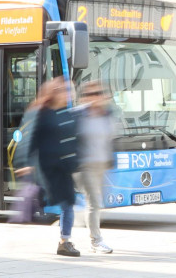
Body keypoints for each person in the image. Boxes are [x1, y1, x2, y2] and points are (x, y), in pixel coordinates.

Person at [22, 77, 80, 257]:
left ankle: (65, 241)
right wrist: (26, 164)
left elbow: (73, 140)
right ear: (55, 94)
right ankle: (64, 241)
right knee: (65, 203)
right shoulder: (43, 114)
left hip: (63, 167)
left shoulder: (67, 113)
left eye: (69, 90)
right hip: (49, 168)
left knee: (68, 203)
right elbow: (31, 140)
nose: (68, 94)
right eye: (64, 91)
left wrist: (76, 160)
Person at [74, 81, 117, 254]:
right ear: (84, 97)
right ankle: (96, 241)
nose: (95, 97)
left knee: (98, 202)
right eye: (91, 94)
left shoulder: (107, 114)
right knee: (94, 202)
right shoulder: (78, 115)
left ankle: (80, 217)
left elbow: (110, 139)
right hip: (85, 165)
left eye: (98, 93)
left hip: (102, 164)